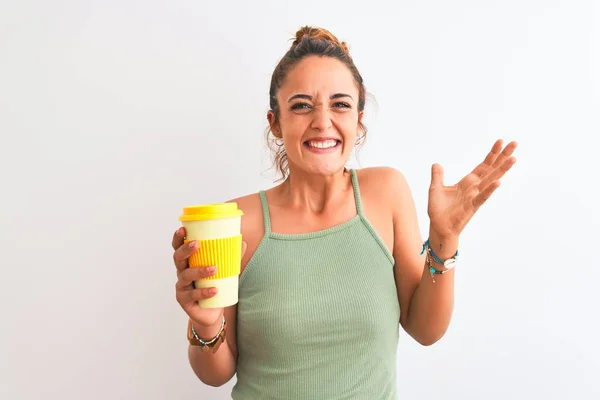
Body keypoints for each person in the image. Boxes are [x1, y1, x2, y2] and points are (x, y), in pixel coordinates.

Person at [171, 26, 517, 399]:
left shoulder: (386, 193)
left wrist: (444, 239)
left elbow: (426, 329)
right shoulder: (236, 220)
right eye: (302, 105)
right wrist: (205, 324)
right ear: (275, 123)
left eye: (340, 104)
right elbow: (216, 374)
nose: (323, 122)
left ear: (358, 119)